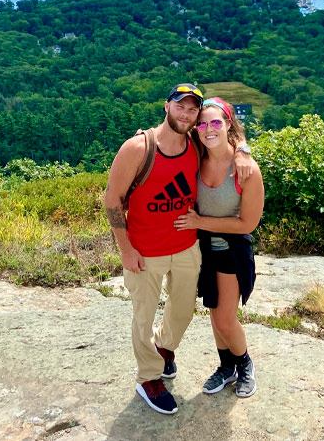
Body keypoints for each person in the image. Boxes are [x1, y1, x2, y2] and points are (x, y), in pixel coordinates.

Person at [104, 84, 253, 415]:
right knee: (143, 316)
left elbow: (227, 137)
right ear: (166, 107)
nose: (186, 113)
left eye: (192, 109)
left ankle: (164, 348)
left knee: (183, 310)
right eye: (180, 106)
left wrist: (243, 149)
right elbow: (111, 199)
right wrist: (125, 250)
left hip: (186, 247)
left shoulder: (195, 145)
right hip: (144, 250)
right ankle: (148, 378)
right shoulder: (138, 148)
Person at [174, 97, 264, 398]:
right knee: (214, 312)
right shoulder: (196, 154)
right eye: (202, 123)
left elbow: (247, 224)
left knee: (225, 318)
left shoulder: (245, 170)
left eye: (216, 122)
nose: (208, 128)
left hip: (230, 250)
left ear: (228, 125)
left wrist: (200, 221)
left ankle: (245, 364)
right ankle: (226, 367)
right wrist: (142, 139)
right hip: (202, 251)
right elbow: (167, 137)